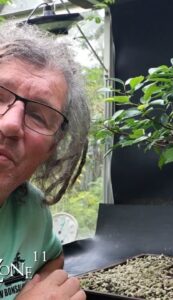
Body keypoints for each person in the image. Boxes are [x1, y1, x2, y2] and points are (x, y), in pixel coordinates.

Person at [0, 20, 90, 300]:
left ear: (53, 148)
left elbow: (51, 258)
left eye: (38, 115)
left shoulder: (30, 208)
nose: (11, 125)